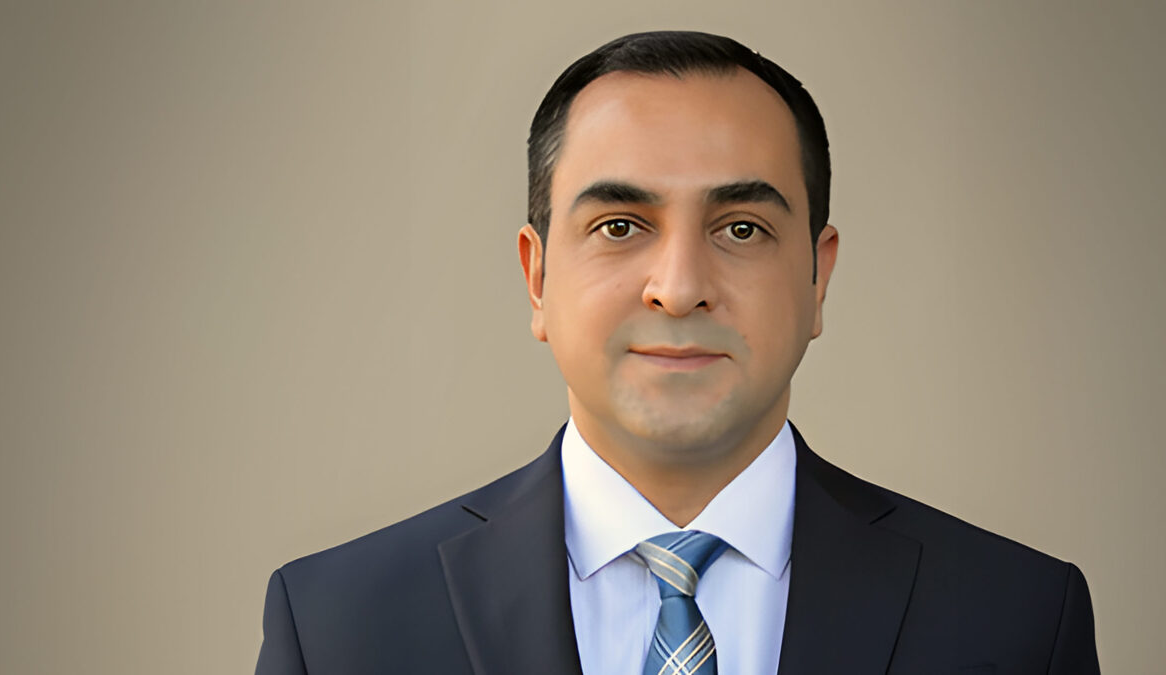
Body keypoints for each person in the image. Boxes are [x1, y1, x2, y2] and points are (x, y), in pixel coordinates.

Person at [254, 31, 1100, 674]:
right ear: (537, 275)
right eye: (620, 226)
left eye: (741, 228)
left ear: (818, 276)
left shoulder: (1017, 619)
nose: (679, 286)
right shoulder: (338, 623)